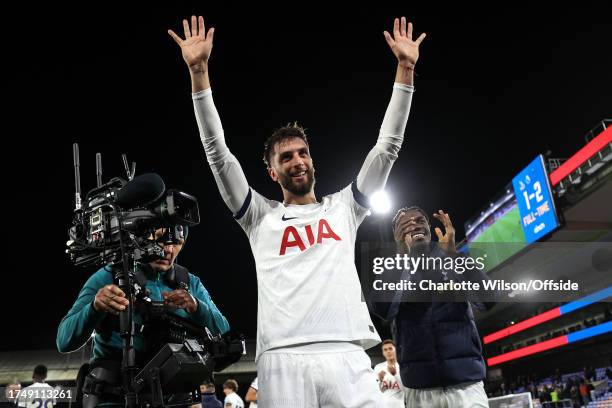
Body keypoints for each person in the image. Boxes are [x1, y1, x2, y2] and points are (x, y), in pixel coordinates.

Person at [168, 14, 424, 408]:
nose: (297, 160)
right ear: (272, 171)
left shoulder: (346, 208)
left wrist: (405, 70)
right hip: (283, 357)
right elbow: (218, 155)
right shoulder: (258, 216)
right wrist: (199, 74)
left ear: (312, 161)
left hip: (346, 351)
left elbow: (387, 147)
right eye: (286, 157)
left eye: (303, 152)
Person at [57, 227, 229, 406]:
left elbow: (224, 333)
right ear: (141, 236)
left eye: (177, 242)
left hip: (172, 399)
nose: (169, 250)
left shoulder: (190, 282)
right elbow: (64, 341)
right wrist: (94, 307)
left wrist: (197, 307)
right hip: (115, 399)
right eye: (161, 239)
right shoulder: (110, 276)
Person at [374, 206, 494, 407]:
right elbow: (381, 308)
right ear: (397, 234)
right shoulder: (392, 268)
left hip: (466, 386)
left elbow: (489, 299)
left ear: (429, 227)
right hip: (420, 391)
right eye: (405, 224)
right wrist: (401, 256)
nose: (414, 225)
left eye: (420, 221)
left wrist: (455, 255)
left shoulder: (453, 260)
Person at [374, 340, 405, 408]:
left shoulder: (402, 366)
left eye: (390, 348)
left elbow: (406, 389)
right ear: (383, 353)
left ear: (396, 350)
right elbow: (377, 391)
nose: (388, 351)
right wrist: (380, 381)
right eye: (385, 350)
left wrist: (395, 374)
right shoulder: (378, 367)